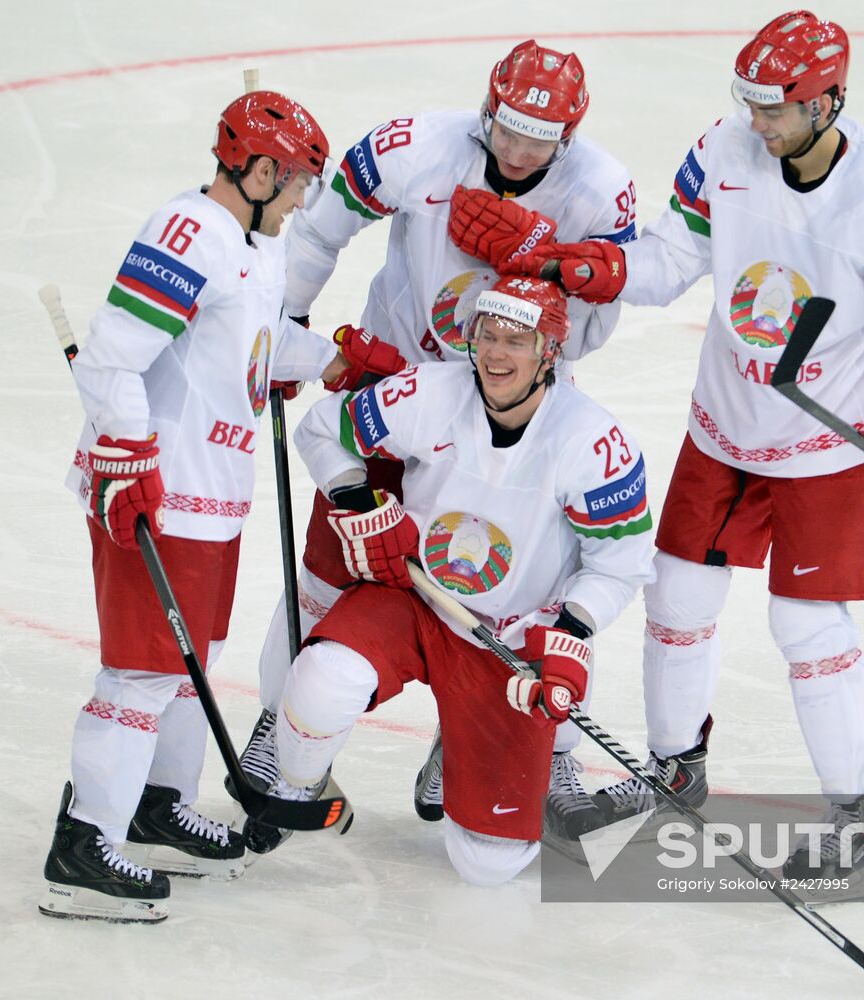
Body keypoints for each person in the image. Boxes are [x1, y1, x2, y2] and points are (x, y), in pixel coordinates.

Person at [504, 11, 864, 891]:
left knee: (806, 626)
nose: (758, 124)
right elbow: (673, 257)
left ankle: (856, 817)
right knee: (676, 595)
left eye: (778, 110)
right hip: (726, 423)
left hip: (831, 442)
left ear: (830, 101)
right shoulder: (725, 151)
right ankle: (674, 772)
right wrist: (590, 268)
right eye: (750, 104)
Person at [239, 39, 639, 855]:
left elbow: (592, 328)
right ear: (486, 108)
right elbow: (317, 229)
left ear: (570, 137)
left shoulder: (601, 192)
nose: (519, 151)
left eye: (541, 139)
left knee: (512, 582)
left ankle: (467, 734)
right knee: (324, 575)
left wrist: (538, 260)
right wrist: (291, 327)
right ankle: (277, 732)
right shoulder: (412, 146)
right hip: (398, 392)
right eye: (507, 129)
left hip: (504, 404)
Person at [39, 90, 404, 923]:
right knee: (139, 674)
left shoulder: (257, 242)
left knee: (186, 663)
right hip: (158, 496)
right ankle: (81, 844)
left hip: (214, 498)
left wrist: (338, 361)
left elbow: (261, 342)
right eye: (302, 181)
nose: (308, 200)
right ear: (262, 170)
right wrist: (127, 452)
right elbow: (107, 359)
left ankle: (157, 804)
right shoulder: (188, 233)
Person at [267, 274, 654, 886]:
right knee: (322, 681)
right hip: (413, 599)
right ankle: (292, 785)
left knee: (488, 867)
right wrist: (358, 499)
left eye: (517, 341)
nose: (496, 354)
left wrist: (570, 634)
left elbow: (621, 562)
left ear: (550, 354)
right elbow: (320, 427)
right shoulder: (430, 392)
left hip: (507, 638)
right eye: (487, 335)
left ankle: (467, 747)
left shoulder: (592, 443)